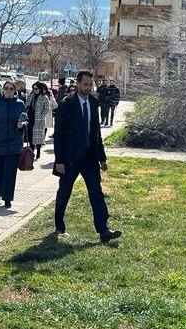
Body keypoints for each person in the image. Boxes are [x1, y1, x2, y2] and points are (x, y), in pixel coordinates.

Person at [53, 71, 122, 243]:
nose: (88, 87)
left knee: (96, 192)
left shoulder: (93, 102)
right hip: (69, 158)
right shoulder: (67, 104)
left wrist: (102, 158)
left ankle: (104, 230)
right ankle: (59, 225)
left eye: (90, 85)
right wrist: (59, 160)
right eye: (85, 84)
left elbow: (96, 133)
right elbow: (59, 134)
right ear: (77, 84)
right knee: (64, 192)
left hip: (89, 158)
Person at [0, 81, 27, 208]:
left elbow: (25, 119)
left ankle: (8, 198)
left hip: (14, 144)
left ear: (15, 91)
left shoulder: (19, 104)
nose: (8, 91)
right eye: (6, 88)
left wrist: (21, 125)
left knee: (10, 173)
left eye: (11, 89)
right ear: (3, 90)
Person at [26, 81, 50, 160]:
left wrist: (41, 116)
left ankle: (38, 150)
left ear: (40, 89)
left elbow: (47, 108)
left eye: (36, 89)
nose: (34, 90)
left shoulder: (44, 97)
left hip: (39, 119)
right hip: (30, 117)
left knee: (38, 137)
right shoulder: (31, 95)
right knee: (31, 136)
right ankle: (32, 152)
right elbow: (27, 104)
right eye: (33, 89)